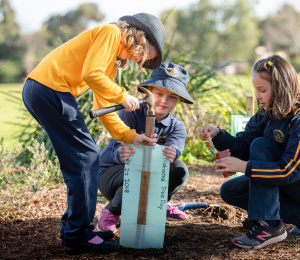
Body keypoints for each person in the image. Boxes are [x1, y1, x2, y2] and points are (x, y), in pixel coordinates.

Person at [22, 13, 166, 254]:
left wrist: (130, 136)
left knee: (83, 156)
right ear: (140, 36)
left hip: (46, 90)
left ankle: (77, 230)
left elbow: (102, 103)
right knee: (85, 156)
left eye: (144, 59)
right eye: (144, 53)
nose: (138, 60)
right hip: (48, 89)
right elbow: (92, 75)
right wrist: (123, 96)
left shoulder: (109, 58)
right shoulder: (111, 33)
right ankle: (78, 234)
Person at [200, 55, 300, 249]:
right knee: (231, 190)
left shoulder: (297, 119)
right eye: (256, 90)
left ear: (280, 89)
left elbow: (289, 171)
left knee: (261, 145)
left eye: (262, 90)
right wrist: (219, 134)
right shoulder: (265, 113)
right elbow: (243, 145)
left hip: (294, 180)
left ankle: (269, 225)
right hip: (287, 185)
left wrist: (245, 167)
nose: (258, 96)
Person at [97, 62, 194, 233]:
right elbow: (115, 146)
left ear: (178, 100)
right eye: (159, 93)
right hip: (114, 175)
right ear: (147, 91)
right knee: (139, 170)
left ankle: (159, 203)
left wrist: (171, 152)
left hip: (149, 177)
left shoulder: (176, 126)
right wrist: (122, 153)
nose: (164, 101)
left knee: (179, 169)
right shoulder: (131, 113)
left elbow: (176, 148)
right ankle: (112, 211)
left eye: (172, 97)